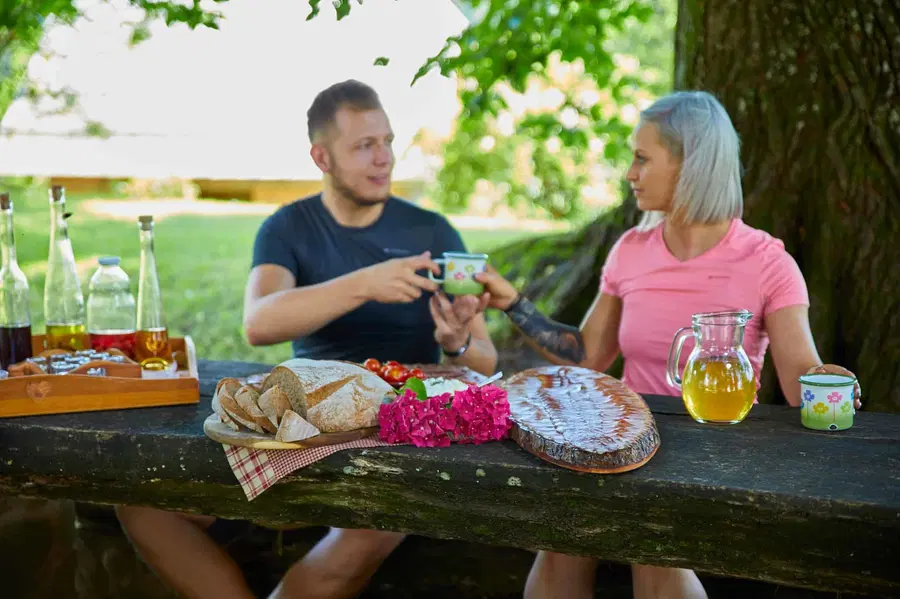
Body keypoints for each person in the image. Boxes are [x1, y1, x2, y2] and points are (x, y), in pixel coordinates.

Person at [116, 79, 498, 599]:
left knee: (369, 525)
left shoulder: (431, 231)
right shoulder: (286, 227)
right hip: (304, 422)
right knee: (139, 507)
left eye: (387, 141)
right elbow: (260, 322)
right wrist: (365, 283)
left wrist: (455, 342)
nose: (383, 158)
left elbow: (483, 357)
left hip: (398, 430)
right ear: (322, 156)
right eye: (364, 146)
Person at [473, 90, 861, 599]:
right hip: (623, 440)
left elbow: (799, 380)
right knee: (559, 541)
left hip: (714, 451)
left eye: (642, 158)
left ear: (691, 163)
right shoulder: (631, 250)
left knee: (654, 555)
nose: (629, 173)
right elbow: (589, 354)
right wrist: (512, 302)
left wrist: (833, 384)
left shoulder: (767, 261)